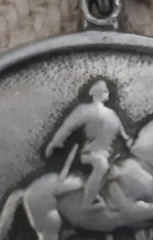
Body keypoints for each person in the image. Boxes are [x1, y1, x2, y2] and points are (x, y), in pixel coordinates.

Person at [45, 80, 132, 208]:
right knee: (102, 165)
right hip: (91, 153)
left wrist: (130, 142)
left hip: (110, 154)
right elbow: (67, 127)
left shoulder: (112, 114)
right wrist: (55, 142)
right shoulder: (84, 110)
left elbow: (123, 134)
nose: (108, 93)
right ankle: (88, 202)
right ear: (97, 93)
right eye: (105, 91)